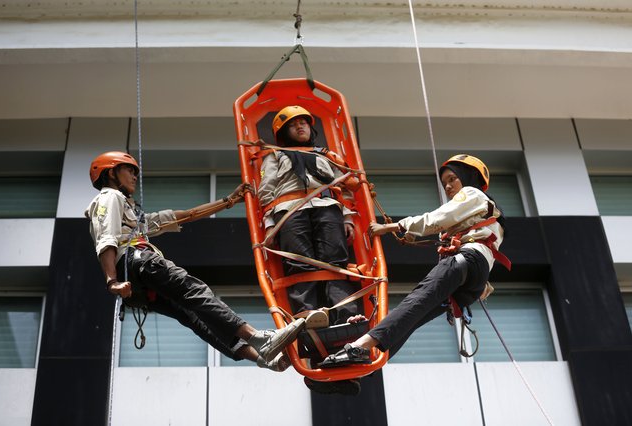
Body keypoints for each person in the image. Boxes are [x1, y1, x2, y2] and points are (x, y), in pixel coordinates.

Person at [85, 151, 305, 371]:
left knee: (193, 316)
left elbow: (184, 215)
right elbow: (106, 238)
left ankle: (262, 358)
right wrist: (111, 280)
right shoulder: (110, 197)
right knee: (195, 291)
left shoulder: (132, 214)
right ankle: (258, 337)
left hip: (137, 283)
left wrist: (227, 201)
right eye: (129, 170)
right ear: (112, 173)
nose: (135, 176)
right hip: (138, 262)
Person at [320, 154, 509, 367]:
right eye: (445, 182)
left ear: (469, 176)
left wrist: (394, 226)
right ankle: (367, 365)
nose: (447, 187)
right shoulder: (488, 211)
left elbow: (438, 219)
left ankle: (359, 347)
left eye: (452, 179)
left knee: (414, 303)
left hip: (465, 260)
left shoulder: (471, 194)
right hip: (474, 278)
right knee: (413, 319)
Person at [258, 106, 366, 393]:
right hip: (289, 211)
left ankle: (347, 318)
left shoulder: (324, 156)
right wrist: (270, 225)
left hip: (327, 207)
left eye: (305, 122)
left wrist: (346, 217)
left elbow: (340, 187)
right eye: (295, 124)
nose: (301, 126)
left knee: (336, 264)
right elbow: (266, 193)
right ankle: (308, 314)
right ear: (283, 132)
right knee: (301, 267)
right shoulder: (274, 156)